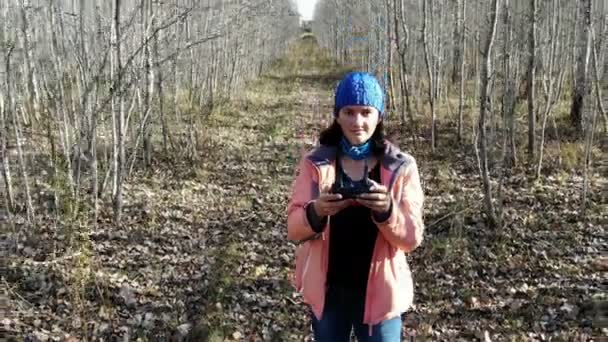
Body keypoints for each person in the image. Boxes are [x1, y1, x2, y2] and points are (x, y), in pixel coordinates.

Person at [286, 71, 425, 342]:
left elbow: (411, 238)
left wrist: (387, 211)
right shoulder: (316, 163)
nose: (357, 121)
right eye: (349, 111)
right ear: (337, 115)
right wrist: (316, 212)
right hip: (328, 293)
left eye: (366, 112)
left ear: (379, 116)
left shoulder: (400, 167)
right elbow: (293, 228)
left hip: (381, 294)